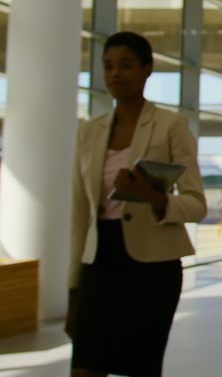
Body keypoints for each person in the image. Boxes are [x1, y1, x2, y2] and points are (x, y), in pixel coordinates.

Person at [67, 31, 207, 377]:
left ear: (147, 69)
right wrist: (72, 289)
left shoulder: (170, 126)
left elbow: (196, 204)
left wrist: (153, 197)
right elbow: (79, 216)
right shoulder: (89, 132)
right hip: (99, 262)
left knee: (140, 367)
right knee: (84, 366)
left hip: (151, 269)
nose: (115, 74)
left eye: (126, 65)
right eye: (108, 66)